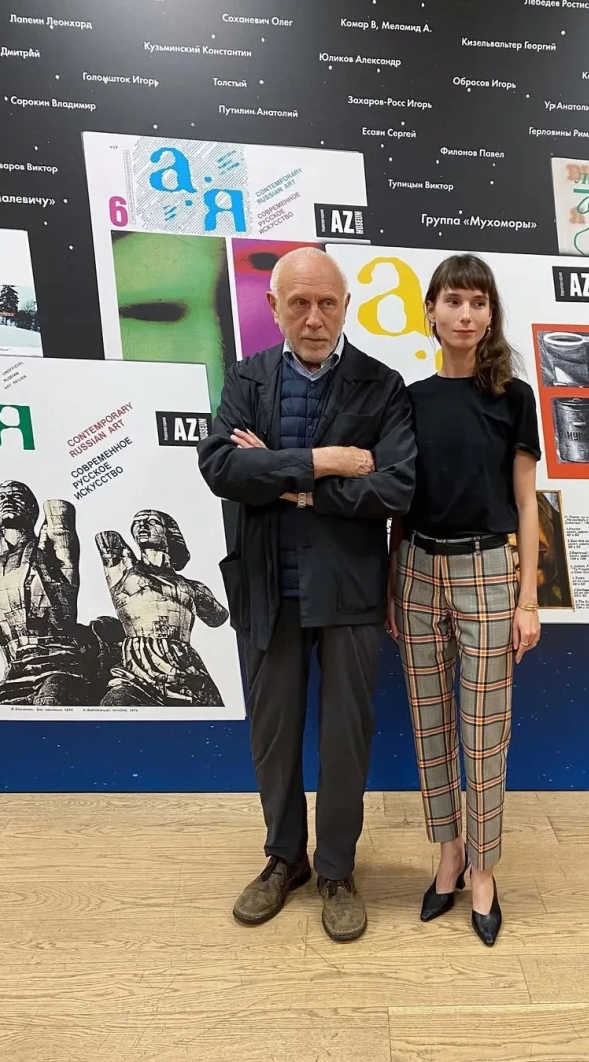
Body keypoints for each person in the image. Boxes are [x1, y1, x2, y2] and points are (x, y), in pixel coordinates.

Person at [197, 246, 416, 943]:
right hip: (268, 588)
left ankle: (337, 870)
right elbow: (221, 467)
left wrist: (290, 483)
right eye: (299, 303)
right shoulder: (246, 378)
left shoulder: (382, 386)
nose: (314, 318)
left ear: (347, 305)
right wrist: (326, 463)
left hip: (349, 589)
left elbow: (394, 487)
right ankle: (283, 858)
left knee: (346, 738)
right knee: (273, 735)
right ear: (274, 308)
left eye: (327, 303)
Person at [386, 253, 541, 947]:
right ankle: (447, 855)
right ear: (431, 312)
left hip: (487, 571)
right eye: (453, 301)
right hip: (416, 570)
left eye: (478, 302)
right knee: (430, 727)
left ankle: (484, 870)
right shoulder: (410, 399)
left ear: (491, 314)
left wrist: (527, 599)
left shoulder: (513, 398)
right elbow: (398, 503)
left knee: (484, 733)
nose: (466, 314)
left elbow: (526, 503)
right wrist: (392, 583)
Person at [0, 482, 104, 705]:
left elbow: (60, 519)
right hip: (14, 674)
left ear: (33, 509)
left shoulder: (46, 548)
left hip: (60, 666)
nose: (7, 501)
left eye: (16, 496)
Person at [95, 509, 229, 707]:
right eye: (137, 522)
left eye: (152, 521)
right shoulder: (125, 570)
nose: (141, 525)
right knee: (117, 702)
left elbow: (219, 618)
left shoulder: (194, 587)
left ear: (169, 533)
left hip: (186, 665)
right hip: (138, 666)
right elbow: (106, 539)